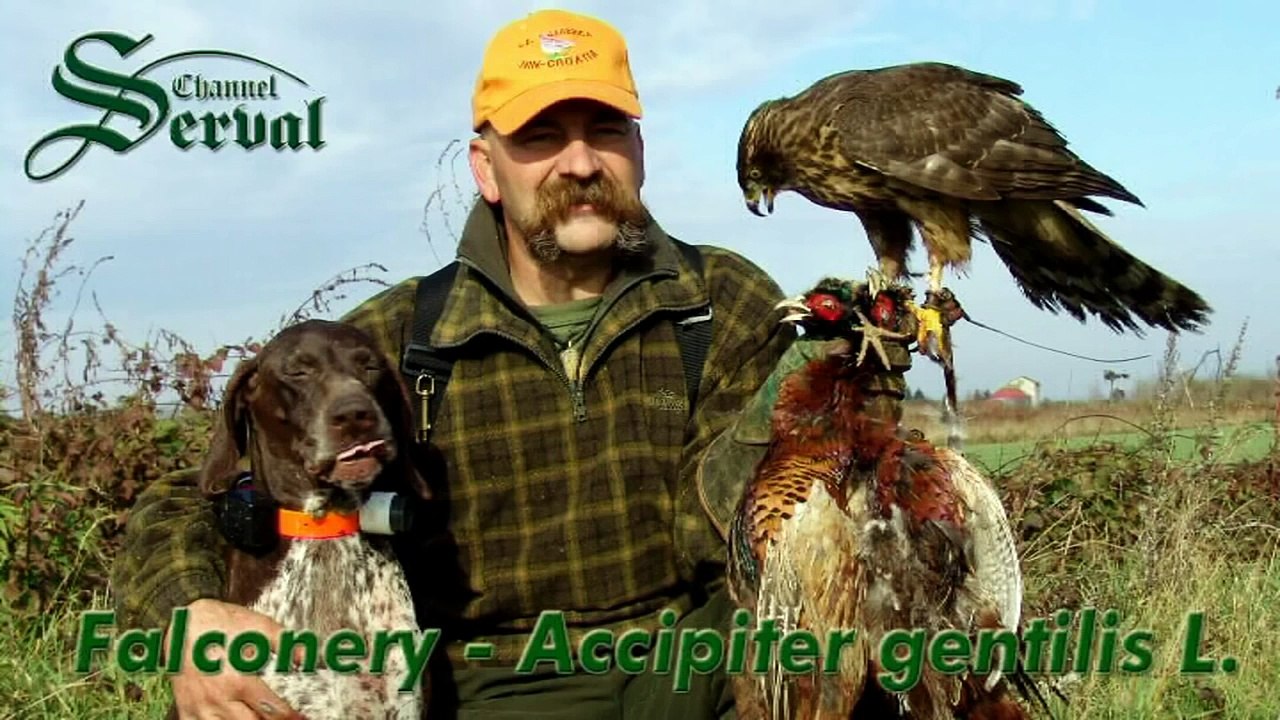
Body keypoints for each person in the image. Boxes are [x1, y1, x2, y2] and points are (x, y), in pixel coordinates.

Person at [111, 9, 838, 719]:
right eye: (541, 136)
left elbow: (777, 515)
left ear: (638, 153)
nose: (580, 163)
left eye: (605, 131)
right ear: (486, 169)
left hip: (693, 664)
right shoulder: (399, 339)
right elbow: (196, 496)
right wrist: (187, 617)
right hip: (494, 682)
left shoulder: (722, 304)